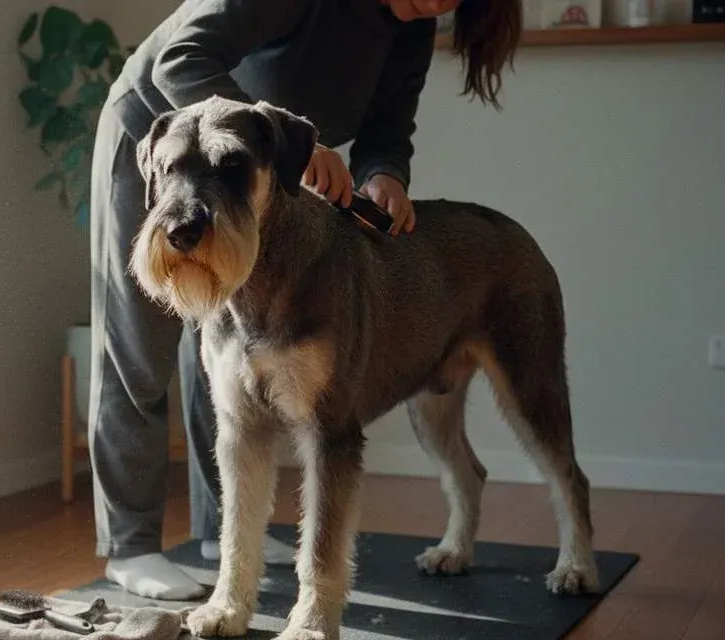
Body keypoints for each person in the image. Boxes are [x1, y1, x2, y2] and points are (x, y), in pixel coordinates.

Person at [87, 0, 522, 600]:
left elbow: (387, 129)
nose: (441, 5)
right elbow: (179, 59)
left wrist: (385, 175)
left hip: (261, 172)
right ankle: (130, 545)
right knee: (138, 349)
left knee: (225, 356)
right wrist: (292, 146)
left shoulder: (413, 26)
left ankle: (219, 531)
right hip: (162, 145)